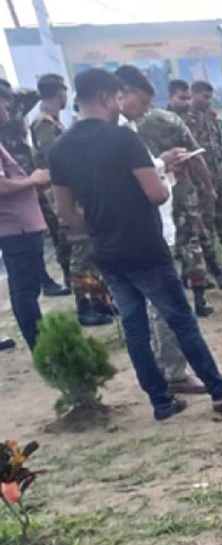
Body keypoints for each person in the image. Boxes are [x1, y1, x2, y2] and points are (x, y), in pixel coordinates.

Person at [49, 68, 222, 420]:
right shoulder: (123, 140)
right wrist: (167, 176)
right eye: (116, 98)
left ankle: (161, 402)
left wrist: (100, 226)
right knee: (181, 319)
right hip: (144, 245)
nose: (118, 106)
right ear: (104, 97)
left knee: (134, 327)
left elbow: (64, 211)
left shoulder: (60, 149)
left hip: (107, 251)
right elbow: (157, 194)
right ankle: (220, 393)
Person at [121, 69, 222, 317]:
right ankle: (199, 299)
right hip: (180, 186)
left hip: (147, 193)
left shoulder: (127, 127)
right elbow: (196, 156)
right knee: (191, 241)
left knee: (161, 245)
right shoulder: (170, 121)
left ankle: (167, 299)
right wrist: (209, 187)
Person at [30, 73, 112, 327]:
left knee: (91, 250)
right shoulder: (44, 124)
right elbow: (55, 157)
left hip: (75, 192)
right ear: (60, 93)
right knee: (80, 250)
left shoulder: (54, 122)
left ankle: (100, 301)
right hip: (64, 195)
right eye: (64, 92)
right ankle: (85, 306)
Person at [0, 79, 69, 299]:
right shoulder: (42, 123)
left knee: (44, 229)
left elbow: (33, 92)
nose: (7, 110)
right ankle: (45, 279)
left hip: (26, 171)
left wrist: (10, 94)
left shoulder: (16, 105)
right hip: (16, 181)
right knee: (29, 242)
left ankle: (56, 276)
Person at [0, 82, 52, 351]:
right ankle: (40, 345)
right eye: (4, 102)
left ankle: (40, 342)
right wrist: (32, 180)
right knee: (25, 291)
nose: (8, 108)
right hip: (15, 227)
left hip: (20, 225)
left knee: (26, 289)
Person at [189, 80, 222, 266]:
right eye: (205, 97)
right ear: (193, 94)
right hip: (202, 177)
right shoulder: (185, 120)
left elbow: (220, 146)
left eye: (210, 97)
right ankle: (210, 261)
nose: (209, 101)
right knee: (207, 218)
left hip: (219, 172)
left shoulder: (211, 118)